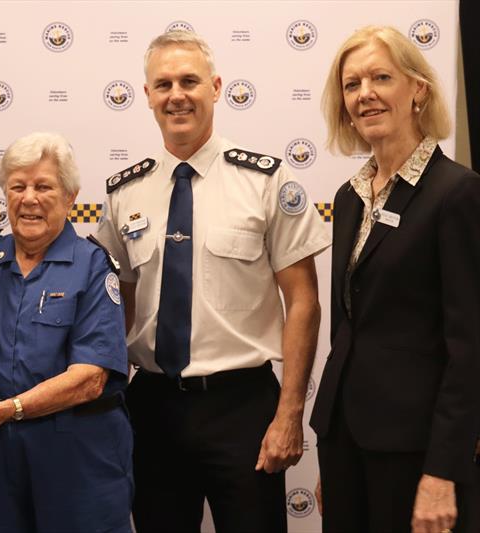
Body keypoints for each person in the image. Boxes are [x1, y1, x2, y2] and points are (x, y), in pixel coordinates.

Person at [94, 30, 331, 532]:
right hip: (153, 403)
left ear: (217, 87)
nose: (176, 95)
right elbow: (120, 302)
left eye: (189, 81)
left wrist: (289, 412)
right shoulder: (123, 193)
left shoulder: (266, 181)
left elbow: (304, 302)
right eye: (163, 84)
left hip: (241, 406)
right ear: (147, 96)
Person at [309, 25, 480, 533]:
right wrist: (335, 449)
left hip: (416, 449)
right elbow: (350, 326)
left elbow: (470, 347)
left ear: (418, 89)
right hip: (346, 442)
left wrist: (442, 472)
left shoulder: (458, 194)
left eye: (381, 77)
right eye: (352, 84)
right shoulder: (349, 197)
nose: (365, 95)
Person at [0, 132, 133, 533]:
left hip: (77, 455)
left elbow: (91, 379)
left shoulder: (92, 265)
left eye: (44, 186)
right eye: (17, 186)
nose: (29, 198)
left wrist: (5, 412)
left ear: (71, 197)